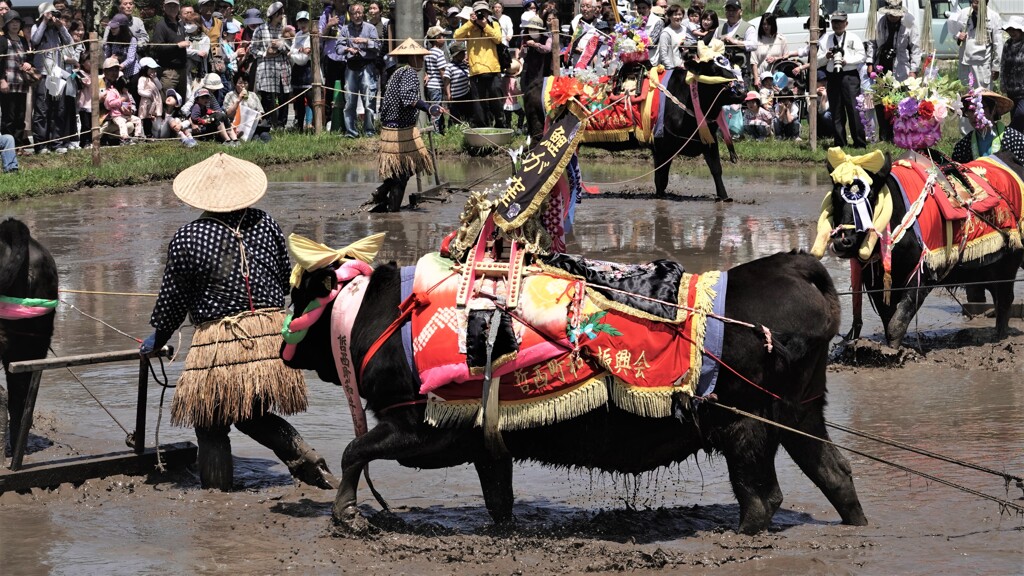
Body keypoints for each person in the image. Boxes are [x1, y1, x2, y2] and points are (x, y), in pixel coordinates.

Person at [140, 153, 338, 492]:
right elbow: (281, 281)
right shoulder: (267, 224)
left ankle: (217, 499)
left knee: (209, 421)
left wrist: (156, 339)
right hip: (267, 340)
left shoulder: (188, 238)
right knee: (251, 414)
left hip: (221, 343)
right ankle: (304, 455)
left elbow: (173, 300)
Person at [371, 38, 443, 213]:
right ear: (413, 57)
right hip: (399, 129)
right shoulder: (409, 73)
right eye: (421, 57)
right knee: (405, 170)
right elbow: (408, 98)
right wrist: (428, 107)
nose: (423, 61)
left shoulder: (398, 71)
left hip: (395, 126)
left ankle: (383, 193)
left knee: (407, 168)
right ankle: (391, 209)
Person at [867, 0, 920, 141]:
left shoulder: (909, 24)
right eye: (890, 15)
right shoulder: (880, 22)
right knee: (881, 101)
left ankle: (899, 134)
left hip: (900, 66)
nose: (892, 17)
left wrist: (913, 70)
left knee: (899, 101)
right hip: (882, 65)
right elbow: (872, 42)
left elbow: (915, 48)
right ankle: (884, 135)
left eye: (895, 15)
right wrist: (869, 62)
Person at [818, 11, 866, 148]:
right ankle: (839, 142)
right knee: (836, 110)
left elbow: (862, 56)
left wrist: (847, 61)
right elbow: (818, 61)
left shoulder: (853, 38)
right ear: (831, 24)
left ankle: (859, 143)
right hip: (833, 76)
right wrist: (826, 57)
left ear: (846, 23)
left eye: (840, 22)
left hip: (849, 75)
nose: (837, 25)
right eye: (834, 22)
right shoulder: (826, 39)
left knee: (853, 109)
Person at [454, 1, 506, 128]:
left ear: (488, 13)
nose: (481, 15)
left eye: (484, 12)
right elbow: (456, 37)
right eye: (479, 13)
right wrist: (470, 23)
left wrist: (485, 25)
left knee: (497, 102)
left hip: (493, 69)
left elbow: (498, 39)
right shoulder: (469, 27)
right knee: (479, 106)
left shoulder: (493, 24)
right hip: (476, 71)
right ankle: (483, 131)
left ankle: (501, 127)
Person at [30, 3, 73, 155]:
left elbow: (70, 42)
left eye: (54, 13)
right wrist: (44, 22)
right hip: (42, 73)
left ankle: (57, 143)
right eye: (49, 13)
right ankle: (41, 145)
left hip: (57, 73)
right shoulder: (37, 26)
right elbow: (34, 41)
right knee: (42, 109)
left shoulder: (58, 29)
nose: (52, 16)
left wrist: (60, 26)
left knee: (59, 109)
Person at [337, 2, 379, 138]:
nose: (357, 15)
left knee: (369, 101)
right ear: (350, 14)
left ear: (363, 13)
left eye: (359, 12)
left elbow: (378, 45)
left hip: (367, 66)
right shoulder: (345, 30)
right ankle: (351, 132)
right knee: (350, 102)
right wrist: (347, 49)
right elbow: (338, 47)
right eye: (354, 13)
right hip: (351, 66)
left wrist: (365, 41)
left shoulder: (371, 28)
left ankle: (369, 131)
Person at [952, 89, 1024, 165]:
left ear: (993, 110)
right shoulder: (963, 147)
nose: (975, 115)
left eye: (979, 108)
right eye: (970, 110)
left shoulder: (1014, 139)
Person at [251, 2, 291, 128]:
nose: (282, 16)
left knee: (284, 95)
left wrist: (281, 45)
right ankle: (267, 124)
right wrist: (264, 54)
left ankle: (281, 124)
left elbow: (291, 47)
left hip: (282, 66)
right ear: (274, 15)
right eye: (280, 14)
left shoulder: (285, 30)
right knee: (267, 97)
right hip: (266, 67)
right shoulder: (260, 29)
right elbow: (252, 48)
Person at [949, 0, 1004, 91]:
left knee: (982, 98)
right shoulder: (963, 13)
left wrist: (996, 67)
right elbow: (954, 31)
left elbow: (998, 45)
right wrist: (959, 36)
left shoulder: (993, 17)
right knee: (965, 97)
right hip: (965, 64)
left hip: (982, 66)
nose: (974, 2)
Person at [0, 10, 33, 151]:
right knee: (8, 116)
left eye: (17, 22)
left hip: (22, 83)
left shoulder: (23, 40)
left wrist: (28, 63)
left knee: (20, 116)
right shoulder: (2, 40)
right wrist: (1, 80)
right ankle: (8, 147)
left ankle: (19, 146)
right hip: (7, 83)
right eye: (11, 22)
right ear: (6, 25)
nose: (14, 25)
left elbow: (28, 58)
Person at [151, 0, 189, 98]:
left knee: (181, 101)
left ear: (179, 8)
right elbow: (156, 46)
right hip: (168, 71)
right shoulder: (161, 25)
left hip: (182, 69)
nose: (172, 8)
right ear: (164, 7)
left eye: (175, 6)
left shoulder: (180, 24)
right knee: (167, 101)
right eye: (169, 6)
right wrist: (177, 45)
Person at [719, 0, 756, 83]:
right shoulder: (719, 28)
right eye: (728, 10)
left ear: (741, 12)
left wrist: (735, 42)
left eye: (734, 10)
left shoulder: (748, 28)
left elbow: (754, 45)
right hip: (722, 71)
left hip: (742, 72)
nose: (731, 13)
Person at [444, 41, 479, 127]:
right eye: (462, 53)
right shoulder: (449, 66)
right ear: (456, 55)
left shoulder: (464, 65)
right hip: (456, 96)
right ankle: (453, 129)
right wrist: (448, 94)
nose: (464, 54)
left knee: (468, 113)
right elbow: (447, 81)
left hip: (466, 93)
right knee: (455, 116)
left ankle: (469, 126)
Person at [1000, 16, 1024, 132]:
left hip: (1023, 90)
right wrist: (1003, 84)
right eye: (1010, 29)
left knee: (1020, 115)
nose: (1012, 32)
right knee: (1016, 117)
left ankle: (1006, 135)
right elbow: (1003, 65)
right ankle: (1018, 145)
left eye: (1015, 29)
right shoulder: (1007, 44)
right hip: (1011, 90)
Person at [290, 11, 312, 132]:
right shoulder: (297, 35)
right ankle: (299, 127)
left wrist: (298, 51)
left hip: (308, 68)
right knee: (298, 100)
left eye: (305, 21)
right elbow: (292, 51)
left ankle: (315, 125)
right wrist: (300, 50)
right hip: (297, 69)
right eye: (300, 21)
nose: (302, 24)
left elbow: (308, 52)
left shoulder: (312, 35)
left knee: (311, 99)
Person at [424, 25, 448, 133]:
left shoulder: (427, 52)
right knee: (436, 110)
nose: (444, 38)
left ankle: (440, 129)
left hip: (430, 85)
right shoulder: (439, 52)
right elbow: (442, 71)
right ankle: (435, 132)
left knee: (434, 108)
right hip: (437, 85)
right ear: (437, 38)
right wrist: (447, 84)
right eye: (442, 36)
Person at [753, 12, 786, 84]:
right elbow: (753, 62)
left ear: (773, 24)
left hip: (777, 78)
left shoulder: (781, 39)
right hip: (762, 78)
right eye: (764, 24)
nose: (766, 26)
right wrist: (756, 78)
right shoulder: (757, 40)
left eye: (768, 24)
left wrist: (776, 59)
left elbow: (786, 56)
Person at [137, 57, 164, 137]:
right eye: (151, 69)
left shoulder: (153, 79)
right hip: (146, 102)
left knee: (154, 118)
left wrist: (155, 78)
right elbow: (140, 90)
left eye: (154, 69)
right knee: (146, 118)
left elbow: (160, 87)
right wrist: (148, 94)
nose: (153, 71)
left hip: (155, 102)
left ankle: (156, 133)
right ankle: (146, 134)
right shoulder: (142, 79)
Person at [656, 5, 687, 69]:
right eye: (675, 15)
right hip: (673, 68)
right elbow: (663, 54)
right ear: (669, 16)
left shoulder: (685, 29)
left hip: (686, 67)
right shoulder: (666, 33)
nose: (678, 17)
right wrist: (670, 68)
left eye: (680, 14)